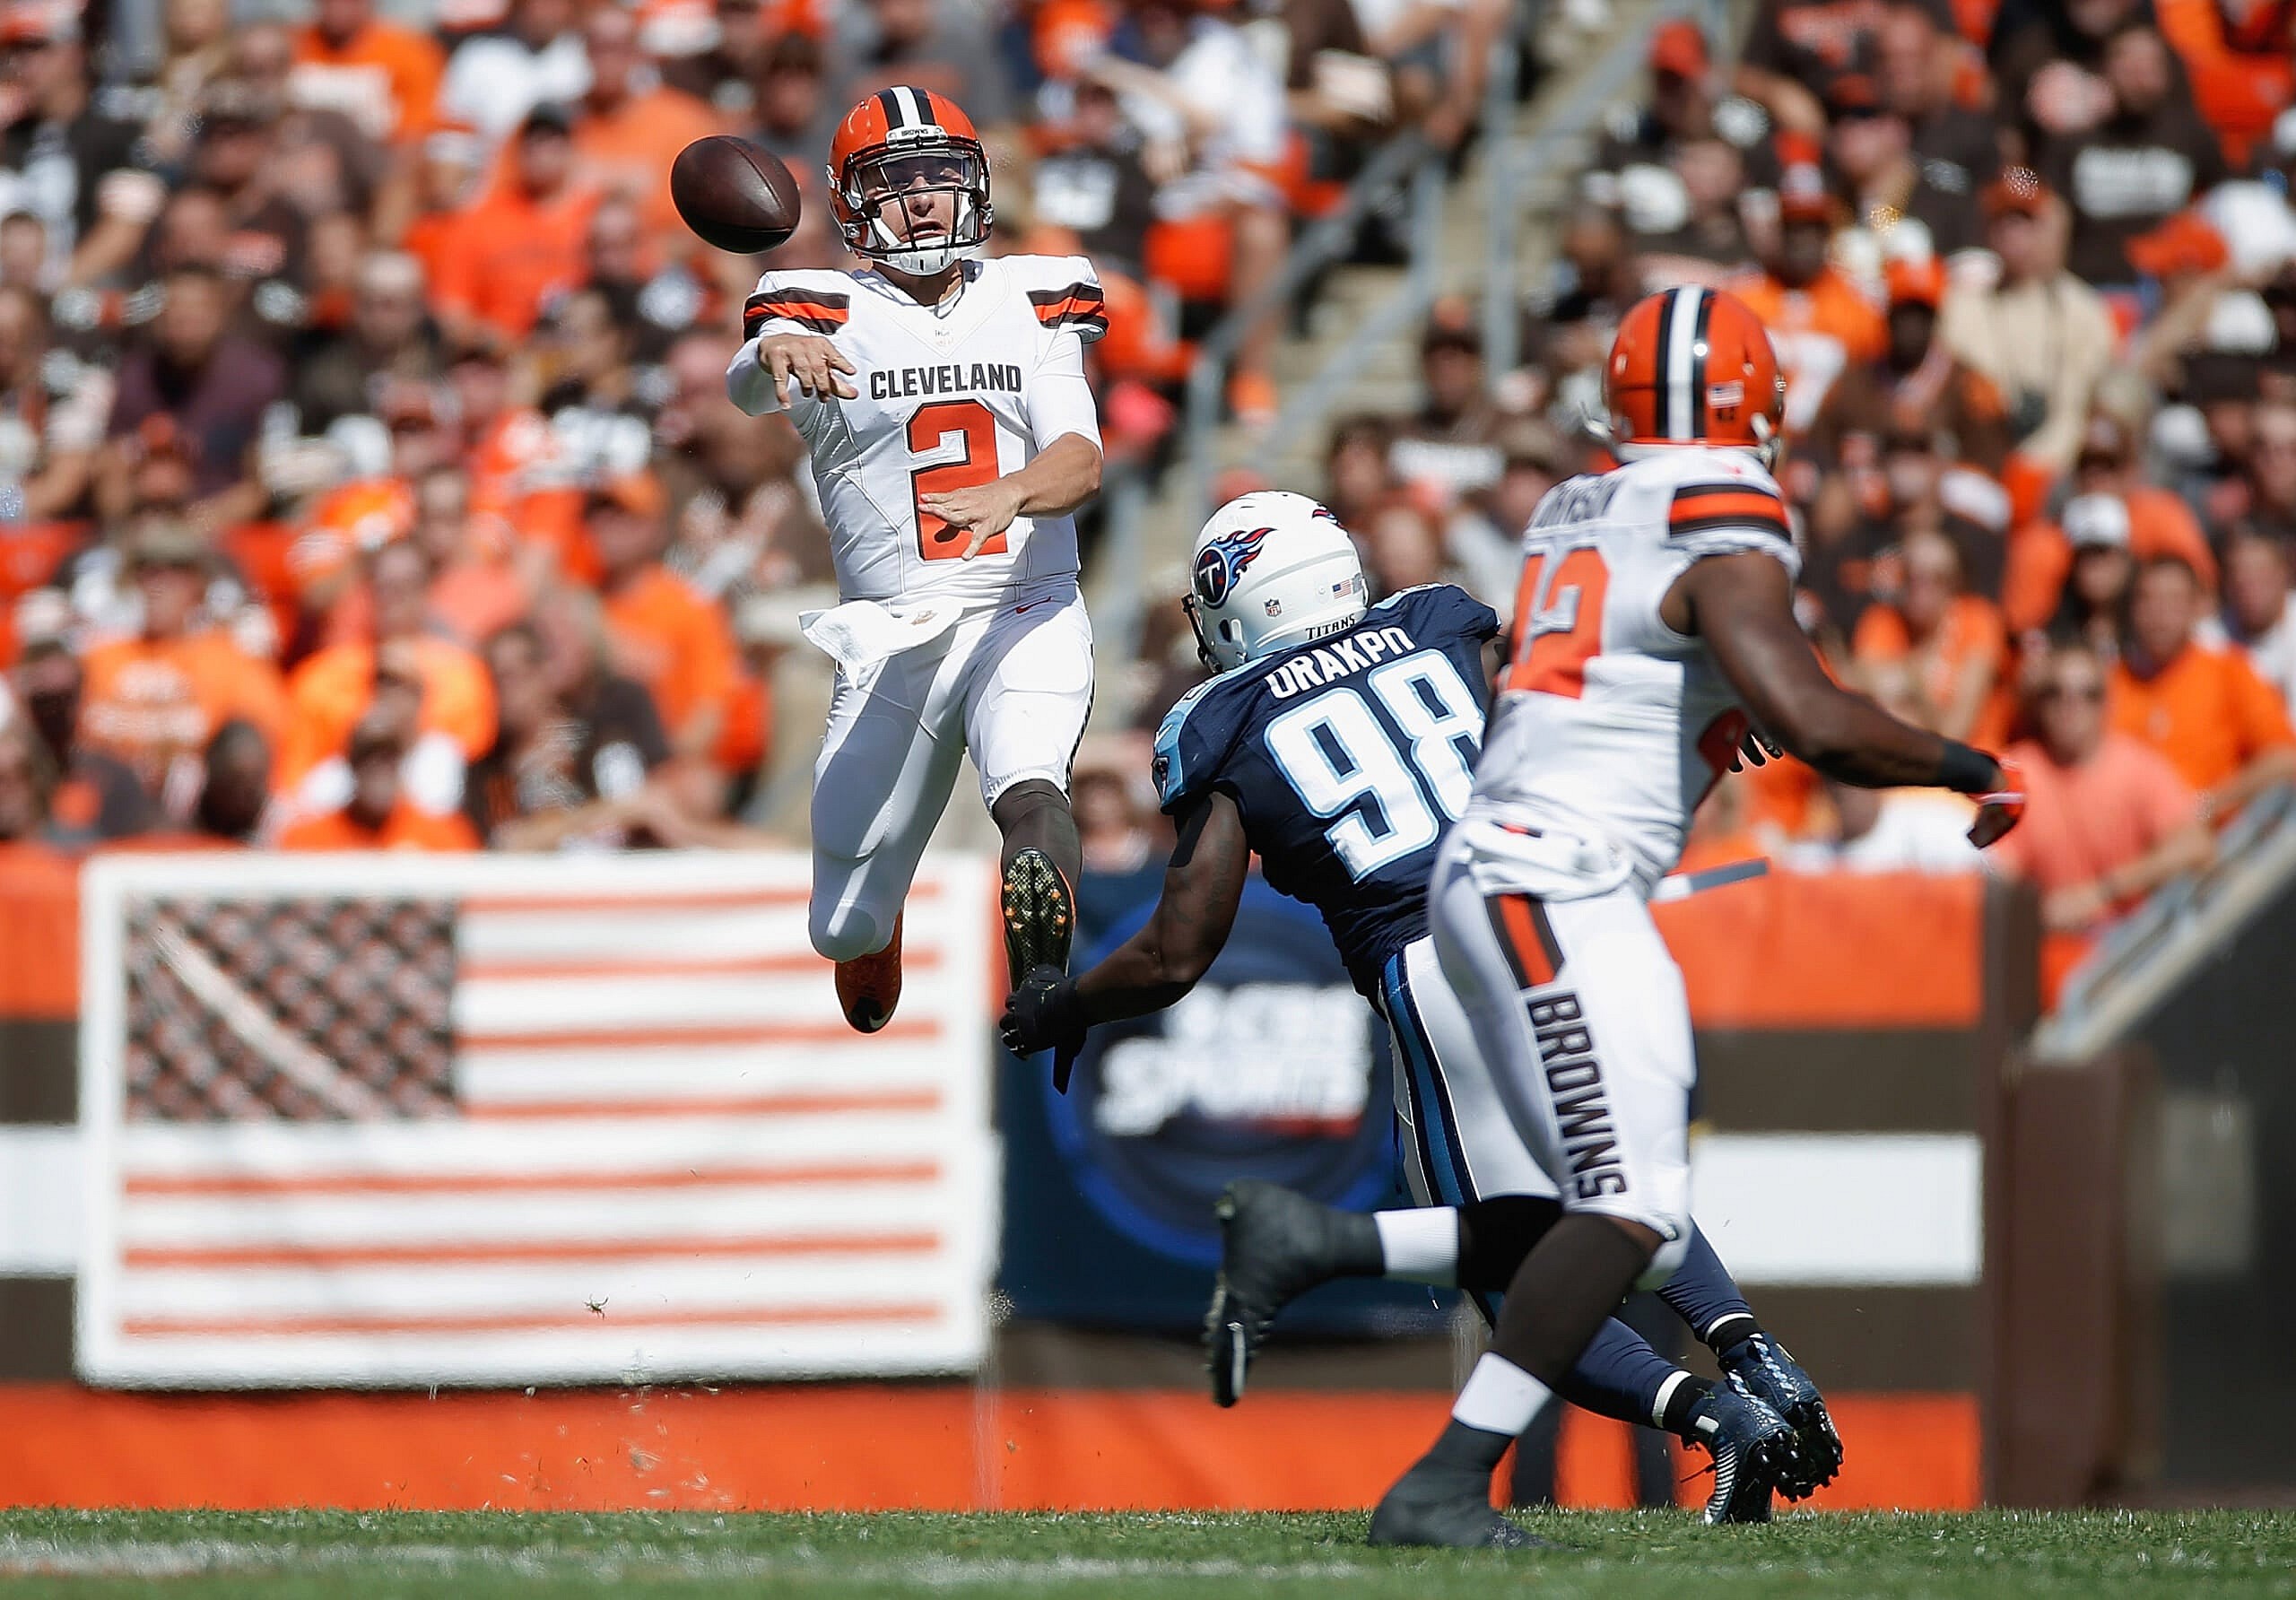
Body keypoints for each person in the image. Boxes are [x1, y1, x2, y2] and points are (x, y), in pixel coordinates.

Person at [1335, 286, 2022, 1548]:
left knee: (1626, 1205)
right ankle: (1424, 1430)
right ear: (1751, 400)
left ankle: (1340, 1284)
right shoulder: (1724, 500)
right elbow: (1811, 716)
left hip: (1526, 874)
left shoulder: (1570, 504)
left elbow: (1611, 678)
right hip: (1553, 879)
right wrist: (1968, 764)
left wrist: (1713, 715)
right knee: (1625, 1207)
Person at [1001, 491, 1839, 1526]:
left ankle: (1719, 1416)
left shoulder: (1220, 720)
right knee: (1615, 1183)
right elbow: (1583, 672)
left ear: (1239, 602)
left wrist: (1066, 1001)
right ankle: (1755, 1352)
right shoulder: (1438, 621)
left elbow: (1180, 946)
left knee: (1514, 1279)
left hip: (1437, 959)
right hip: (1566, 917)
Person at [725, 87, 1105, 1033]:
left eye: (942, 178)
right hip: (894, 629)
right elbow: (741, 394)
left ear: (976, 187)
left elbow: (1080, 458)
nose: (925, 200)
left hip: (1027, 603)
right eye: (897, 182)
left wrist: (1013, 493)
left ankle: (1044, 969)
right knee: (840, 926)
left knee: (1031, 783)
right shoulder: (817, 307)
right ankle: (875, 916)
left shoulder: (1033, 299)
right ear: (855, 204)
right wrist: (774, 345)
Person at [1993, 641, 2213, 936]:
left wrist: (2102, 892)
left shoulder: (2136, 765)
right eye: (2055, 693)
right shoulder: (2019, 775)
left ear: (2107, 704)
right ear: (2039, 705)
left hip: (2139, 940)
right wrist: (2038, 912)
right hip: (2055, 946)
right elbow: (1993, 878)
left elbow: (2196, 846)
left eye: (2089, 694)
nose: (2071, 705)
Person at [2110, 555, 2296, 811]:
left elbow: (2285, 759)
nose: (2160, 613)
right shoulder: (2107, 684)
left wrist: (2206, 805)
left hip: (2222, 838)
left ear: (2197, 607)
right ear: (2132, 608)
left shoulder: (2229, 671)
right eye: (2148, 599)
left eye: (2174, 600)